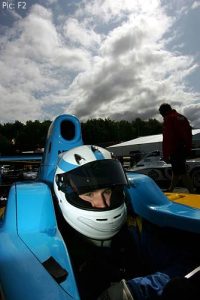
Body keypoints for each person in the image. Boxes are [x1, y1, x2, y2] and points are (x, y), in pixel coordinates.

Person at [54, 144, 199, 300]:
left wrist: (136, 290)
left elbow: (183, 265)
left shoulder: (135, 227)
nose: (103, 204)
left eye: (107, 192)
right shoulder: (56, 242)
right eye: (89, 194)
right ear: (64, 193)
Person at [159, 103, 194, 193]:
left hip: (176, 149)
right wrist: (188, 147)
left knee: (182, 172)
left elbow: (167, 138)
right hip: (183, 148)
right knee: (176, 170)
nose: (162, 116)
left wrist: (166, 155)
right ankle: (171, 189)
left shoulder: (169, 119)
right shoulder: (182, 117)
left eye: (161, 113)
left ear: (164, 111)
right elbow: (189, 134)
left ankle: (192, 191)